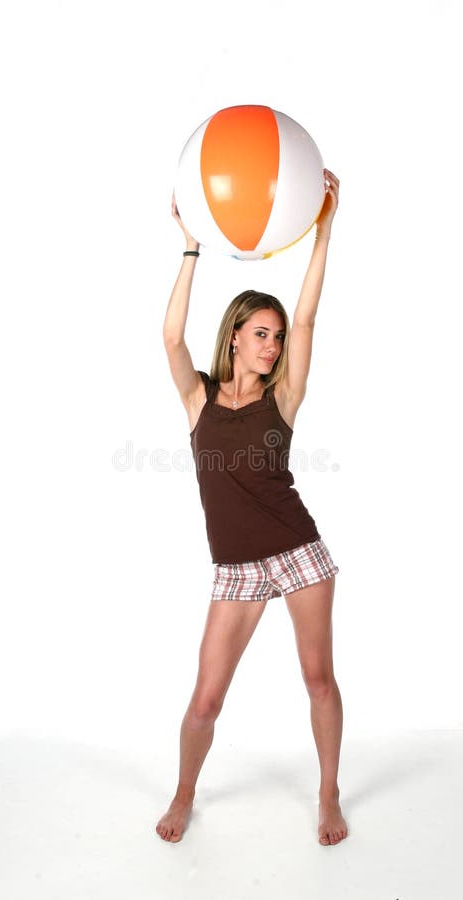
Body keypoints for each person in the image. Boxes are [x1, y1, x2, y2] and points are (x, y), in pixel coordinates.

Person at [157, 169, 347, 846]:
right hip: (236, 568)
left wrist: (323, 227)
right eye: (259, 334)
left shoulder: (282, 399)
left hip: (299, 553)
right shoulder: (199, 399)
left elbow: (310, 315)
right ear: (235, 335)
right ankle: (184, 793)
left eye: (275, 336)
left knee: (317, 679)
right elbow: (172, 338)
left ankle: (328, 797)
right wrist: (190, 246)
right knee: (206, 699)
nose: (271, 345)